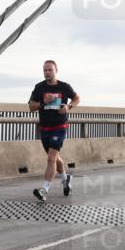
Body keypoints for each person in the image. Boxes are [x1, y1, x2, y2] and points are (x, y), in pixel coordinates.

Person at [29, 60, 79, 201]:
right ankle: (65, 179)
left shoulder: (64, 87)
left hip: (59, 126)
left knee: (51, 158)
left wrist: (68, 107)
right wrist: (44, 102)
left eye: (50, 70)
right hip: (45, 127)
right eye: (45, 70)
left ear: (56, 70)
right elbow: (31, 106)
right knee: (55, 158)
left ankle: (44, 189)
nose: (47, 72)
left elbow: (76, 98)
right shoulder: (39, 87)